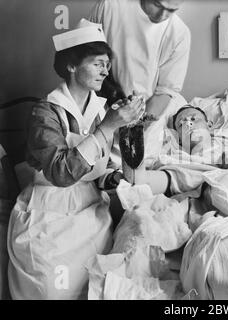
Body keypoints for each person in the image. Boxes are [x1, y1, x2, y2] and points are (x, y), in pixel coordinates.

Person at [7, 19, 144, 300]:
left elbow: (102, 168)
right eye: (97, 63)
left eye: (107, 64)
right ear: (71, 66)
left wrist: (114, 175)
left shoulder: (102, 110)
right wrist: (107, 128)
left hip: (93, 209)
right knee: (49, 287)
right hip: (49, 208)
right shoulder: (45, 113)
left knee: (107, 280)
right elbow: (60, 173)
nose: (105, 71)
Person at [89, 0, 191, 166]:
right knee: (94, 171)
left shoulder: (179, 34)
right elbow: (86, 57)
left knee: (134, 178)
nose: (162, 15)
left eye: (171, 10)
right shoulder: (110, 7)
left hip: (145, 125)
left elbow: (165, 92)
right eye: (158, 5)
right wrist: (114, 98)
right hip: (100, 110)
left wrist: (135, 126)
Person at [121, 105, 228, 195]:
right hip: (201, 183)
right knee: (186, 175)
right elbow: (164, 179)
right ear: (178, 137)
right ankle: (133, 151)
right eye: (181, 123)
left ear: (209, 125)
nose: (188, 123)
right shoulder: (175, 157)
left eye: (194, 119)